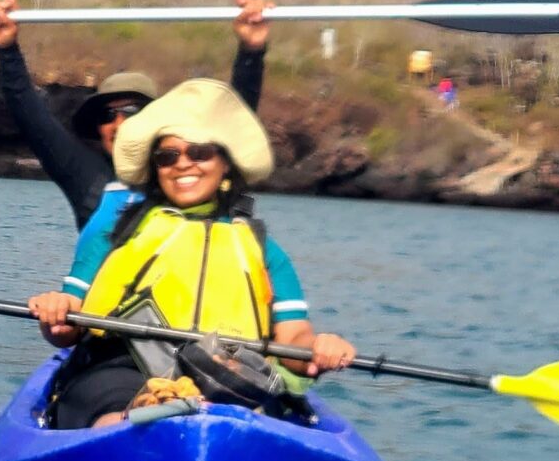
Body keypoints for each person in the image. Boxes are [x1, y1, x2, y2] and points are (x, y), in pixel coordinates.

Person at [26, 79, 357, 429]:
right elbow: (68, 327)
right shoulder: (112, 234)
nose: (183, 164)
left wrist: (318, 347)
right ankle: (135, 424)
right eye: (168, 157)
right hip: (120, 367)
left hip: (228, 375)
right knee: (114, 408)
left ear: (225, 164)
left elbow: (293, 339)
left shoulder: (265, 252)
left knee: (252, 414)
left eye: (199, 152)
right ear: (156, 169)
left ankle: (188, 425)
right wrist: (58, 311)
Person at [0, 0, 271, 229]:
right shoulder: (85, 175)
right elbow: (30, 114)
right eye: (107, 116)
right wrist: (6, 49)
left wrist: (252, 50)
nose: (118, 123)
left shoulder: (192, 169)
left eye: (131, 110)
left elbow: (233, 118)